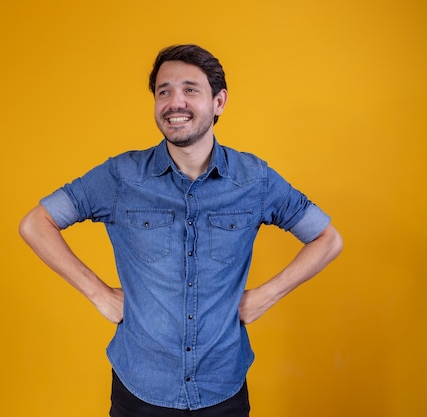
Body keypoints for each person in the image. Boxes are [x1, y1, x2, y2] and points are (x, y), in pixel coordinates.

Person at [19, 44, 343, 417]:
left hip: (223, 388)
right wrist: (97, 293)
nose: (175, 102)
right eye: (164, 91)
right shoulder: (121, 176)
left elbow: (327, 238)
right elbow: (36, 223)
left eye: (190, 89)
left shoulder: (254, 180)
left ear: (218, 101)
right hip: (140, 387)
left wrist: (266, 295)